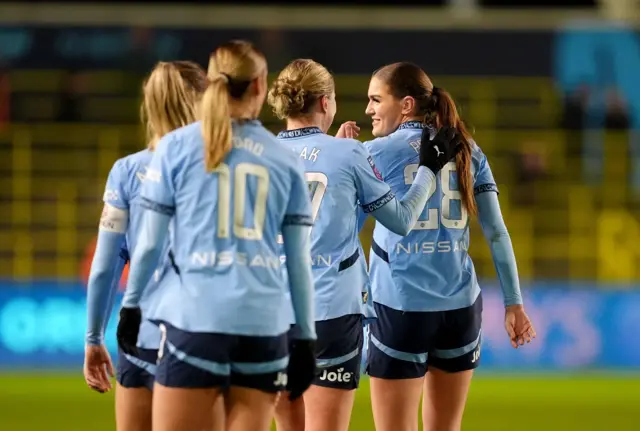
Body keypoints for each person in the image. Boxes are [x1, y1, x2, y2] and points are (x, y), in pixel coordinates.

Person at [114, 40, 317, 431]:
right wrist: (306, 338)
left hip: (196, 321)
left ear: (210, 82)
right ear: (260, 85)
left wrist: (132, 305)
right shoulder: (285, 159)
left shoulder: (175, 147)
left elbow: (150, 245)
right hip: (263, 327)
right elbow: (298, 262)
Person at [267, 58, 463, 431]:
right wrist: (427, 169)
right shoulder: (349, 153)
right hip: (328, 309)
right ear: (326, 103)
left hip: (268, 311)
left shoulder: (260, 153)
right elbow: (401, 220)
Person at [363, 62, 537, 431]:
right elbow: (497, 233)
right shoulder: (468, 149)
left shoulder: (374, 153)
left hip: (400, 306)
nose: (368, 110)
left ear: (406, 104)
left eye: (376, 99)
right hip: (459, 310)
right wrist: (514, 304)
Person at [83, 60, 225, 431]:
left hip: (139, 335)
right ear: (201, 100)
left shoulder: (126, 171)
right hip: (201, 333)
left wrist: (94, 338)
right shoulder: (223, 166)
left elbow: (104, 266)